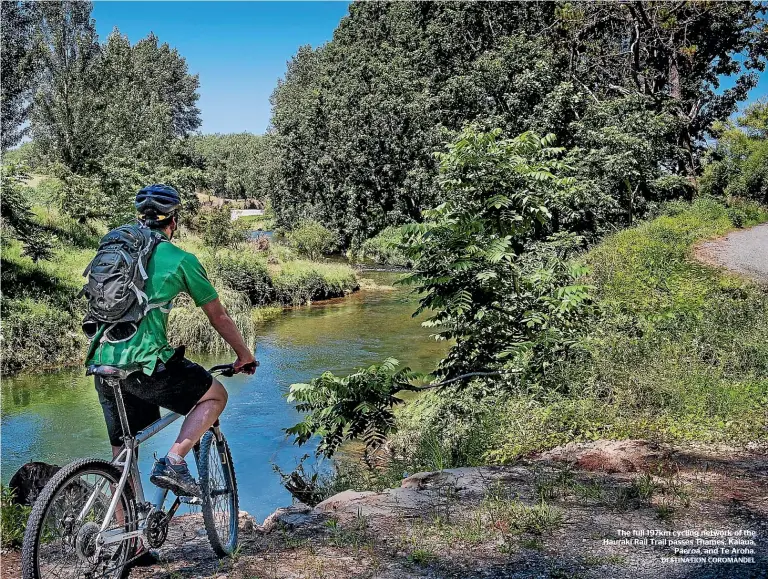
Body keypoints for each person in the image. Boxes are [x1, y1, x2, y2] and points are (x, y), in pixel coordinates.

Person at [85, 184, 256, 500]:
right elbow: (218, 317)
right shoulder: (180, 259)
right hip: (146, 362)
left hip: (102, 360)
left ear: (141, 219)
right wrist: (244, 354)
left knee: (122, 454)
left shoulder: (117, 253)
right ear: (173, 221)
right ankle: (174, 461)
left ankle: (127, 541)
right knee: (214, 396)